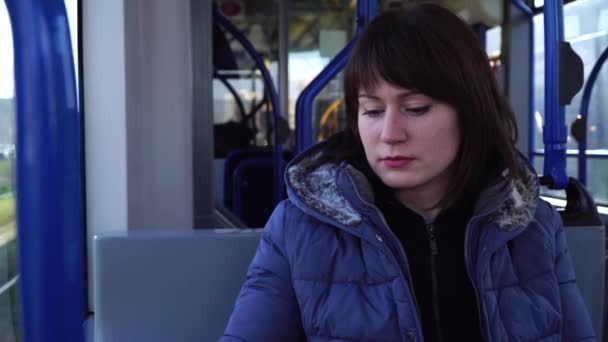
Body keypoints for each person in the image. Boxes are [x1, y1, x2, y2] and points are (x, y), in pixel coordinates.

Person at [222, 4, 595, 341]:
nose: (389, 134)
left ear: (471, 112)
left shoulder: (533, 225)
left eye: (415, 108)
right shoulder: (297, 228)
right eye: (371, 111)